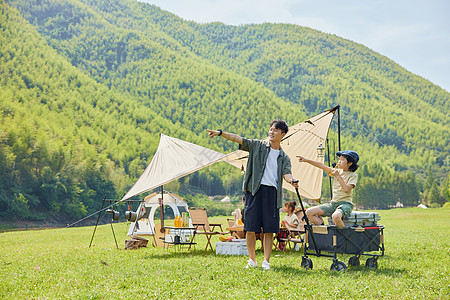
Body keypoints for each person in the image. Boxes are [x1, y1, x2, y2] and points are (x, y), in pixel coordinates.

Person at [207, 120, 298, 270]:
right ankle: (252, 260)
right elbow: (238, 138)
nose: (271, 132)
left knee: (269, 230)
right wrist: (221, 133)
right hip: (254, 191)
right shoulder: (258, 146)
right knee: (250, 228)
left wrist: (292, 180)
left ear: (283, 134)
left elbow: (286, 174)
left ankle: (266, 262)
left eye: (275, 130)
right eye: (270, 129)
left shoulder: (284, 157)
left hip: (272, 194)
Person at [297, 150, 359, 229]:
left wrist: (338, 176)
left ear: (350, 163)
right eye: (339, 159)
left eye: (342, 159)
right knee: (309, 212)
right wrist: (306, 160)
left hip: (345, 204)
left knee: (336, 216)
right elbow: (322, 166)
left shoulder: (353, 175)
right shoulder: (336, 171)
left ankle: (343, 236)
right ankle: (324, 230)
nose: (339, 161)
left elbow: (346, 189)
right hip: (333, 204)